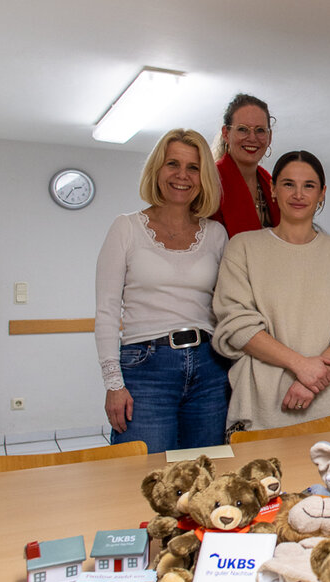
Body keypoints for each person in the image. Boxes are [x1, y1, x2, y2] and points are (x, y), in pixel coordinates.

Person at [213, 150, 330, 432]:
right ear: (273, 189)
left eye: (308, 185)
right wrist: (302, 366)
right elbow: (237, 325)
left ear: (322, 193)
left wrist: (309, 381)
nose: (298, 194)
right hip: (263, 402)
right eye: (288, 184)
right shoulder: (243, 247)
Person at [94, 128, 230, 452]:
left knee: (204, 476)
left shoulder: (216, 234)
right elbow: (107, 311)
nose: (182, 175)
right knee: (144, 479)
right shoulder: (125, 228)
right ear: (157, 169)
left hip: (210, 368)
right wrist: (114, 384)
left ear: (203, 177)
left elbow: (227, 306)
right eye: (173, 164)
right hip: (145, 367)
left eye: (193, 167)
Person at [211, 93, 281, 237]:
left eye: (260, 130)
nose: (252, 138)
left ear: (270, 137)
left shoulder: (271, 184)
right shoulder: (210, 181)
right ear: (226, 133)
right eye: (242, 129)